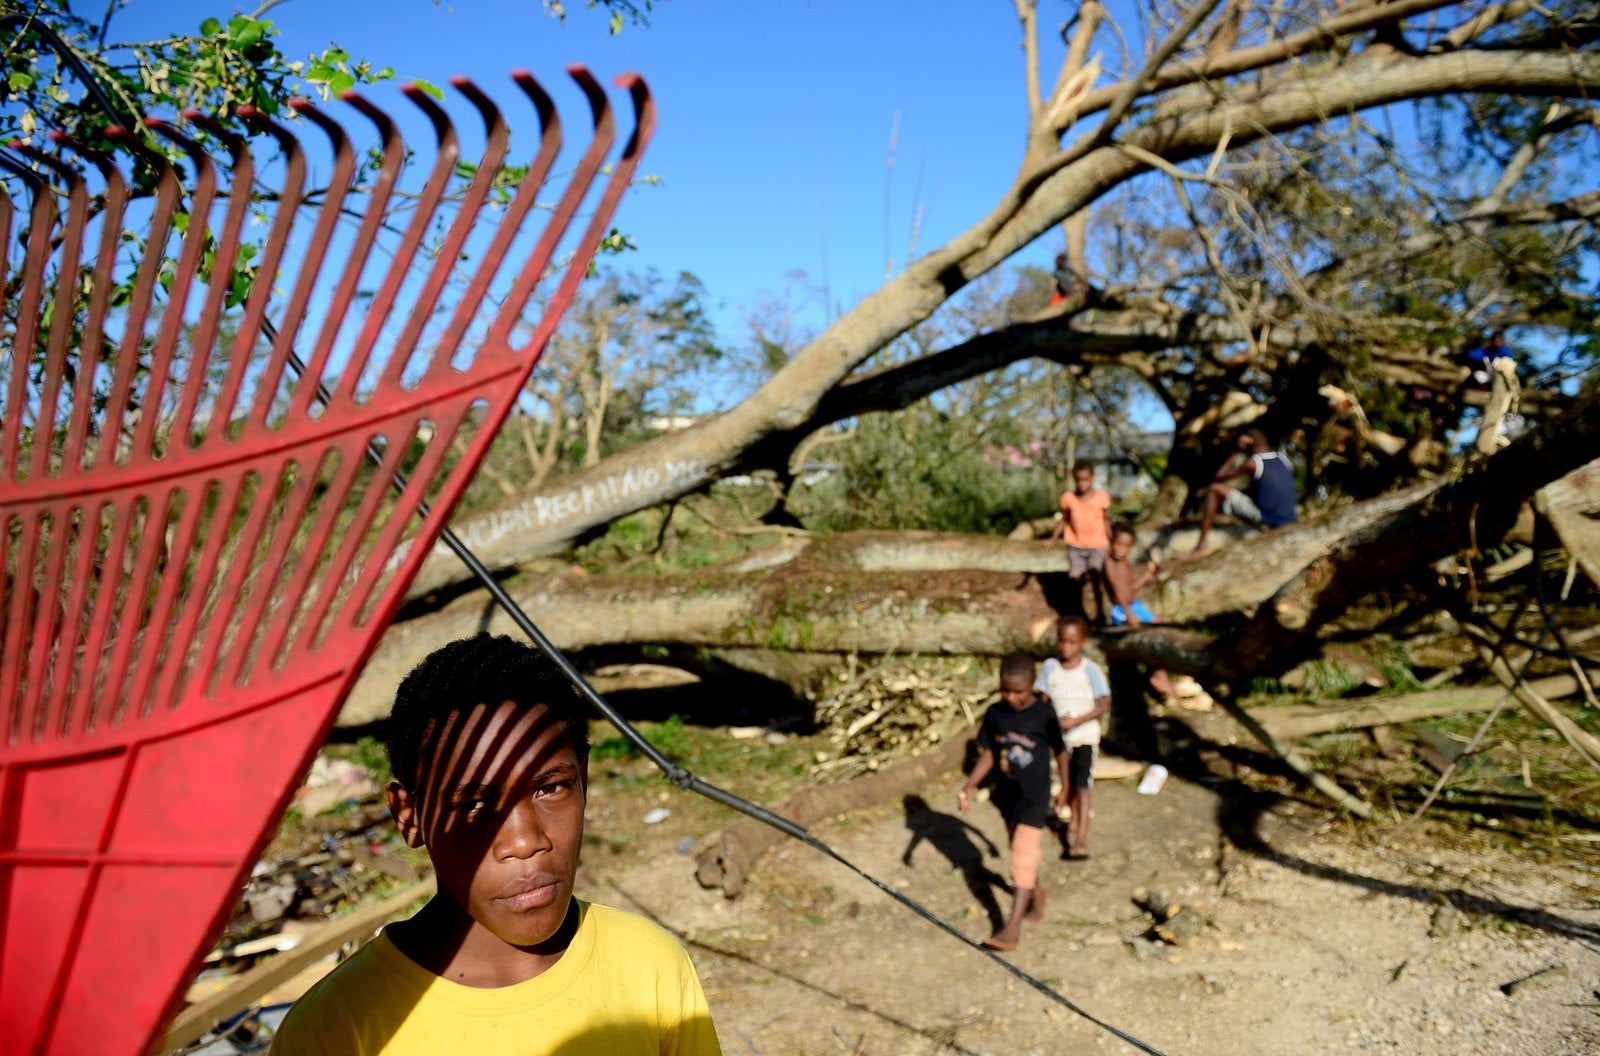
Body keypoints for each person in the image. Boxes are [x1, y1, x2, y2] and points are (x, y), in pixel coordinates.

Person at [270, 635, 721, 1056]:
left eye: (551, 788)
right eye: (473, 803)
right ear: (409, 816)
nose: (526, 841)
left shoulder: (648, 968)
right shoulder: (338, 1028)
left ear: (583, 778)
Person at [956, 652, 1069, 952]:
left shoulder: (1044, 713)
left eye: (1018, 691)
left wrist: (1066, 787)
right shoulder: (996, 714)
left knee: (1022, 853)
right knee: (1020, 852)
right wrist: (969, 785)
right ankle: (1037, 894)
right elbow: (991, 753)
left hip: (1036, 795)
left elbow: (1060, 751)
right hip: (1008, 794)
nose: (1010, 697)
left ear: (1032, 685)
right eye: (1005, 689)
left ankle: (1011, 927)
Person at [1034, 618, 1109, 861]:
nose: (1065, 647)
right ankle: (1073, 818)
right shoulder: (1050, 668)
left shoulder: (1090, 670)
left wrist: (1076, 721)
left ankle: (1080, 840)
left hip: (1084, 736)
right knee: (1066, 782)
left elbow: (1102, 705)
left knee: (1082, 784)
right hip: (1059, 740)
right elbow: (1041, 700)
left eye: (1071, 642)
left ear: (1082, 643)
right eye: (1062, 641)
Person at [1190, 428, 1297, 556]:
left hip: (1268, 520)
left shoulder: (1254, 463)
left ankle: (1201, 545)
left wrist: (1237, 450)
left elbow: (1219, 476)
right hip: (1290, 519)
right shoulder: (1283, 458)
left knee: (1214, 489)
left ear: (1248, 442)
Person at [1100, 526, 1177, 700]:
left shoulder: (1125, 563)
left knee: (1160, 623)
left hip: (1134, 605)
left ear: (1131, 547)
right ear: (1111, 543)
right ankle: (1156, 675)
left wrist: (1149, 573)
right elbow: (1117, 590)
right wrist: (1128, 614)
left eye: (1125, 546)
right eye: (1117, 544)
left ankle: (1158, 671)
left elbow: (1131, 589)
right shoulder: (1109, 563)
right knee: (1147, 632)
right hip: (1120, 610)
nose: (1120, 549)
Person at [1047, 460, 1112, 617]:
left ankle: (1100, 612)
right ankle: (1077, 613)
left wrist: (1112, 540)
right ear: (1074, 479)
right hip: (1076, 545)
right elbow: (1064, 520)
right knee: (1075, 578)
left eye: (1086, 480)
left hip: (1097, 544)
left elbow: (1106, 520)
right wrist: (1053, 538)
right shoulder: (1069, 499)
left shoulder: (1101, 498)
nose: (1082, 484)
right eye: (1078, 480)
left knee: (1097, 577)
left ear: (1092, 478)